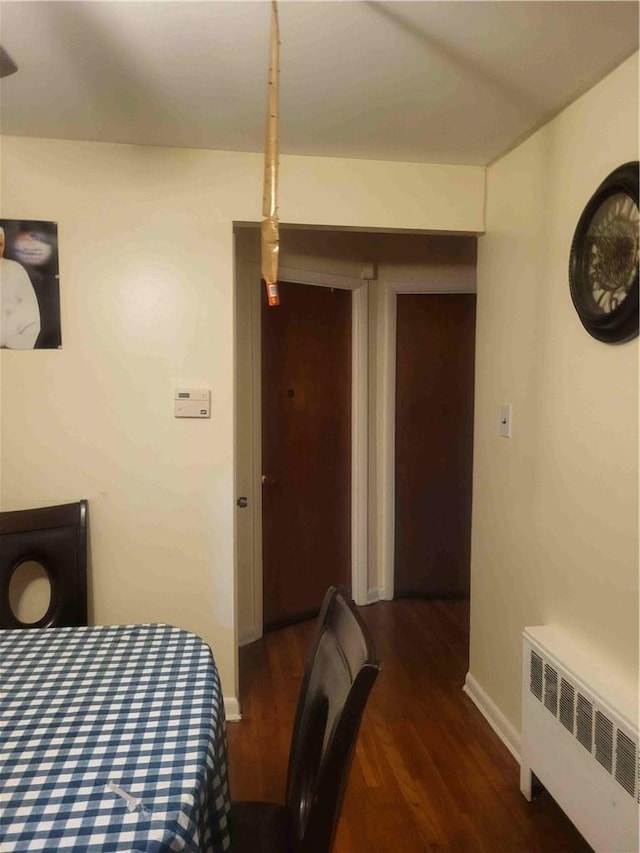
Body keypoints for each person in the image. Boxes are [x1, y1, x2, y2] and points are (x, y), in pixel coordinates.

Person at [0, 225, 41, 348]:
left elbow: (31, 316)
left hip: (13, 351)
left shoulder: (16, 270)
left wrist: (15, 346)